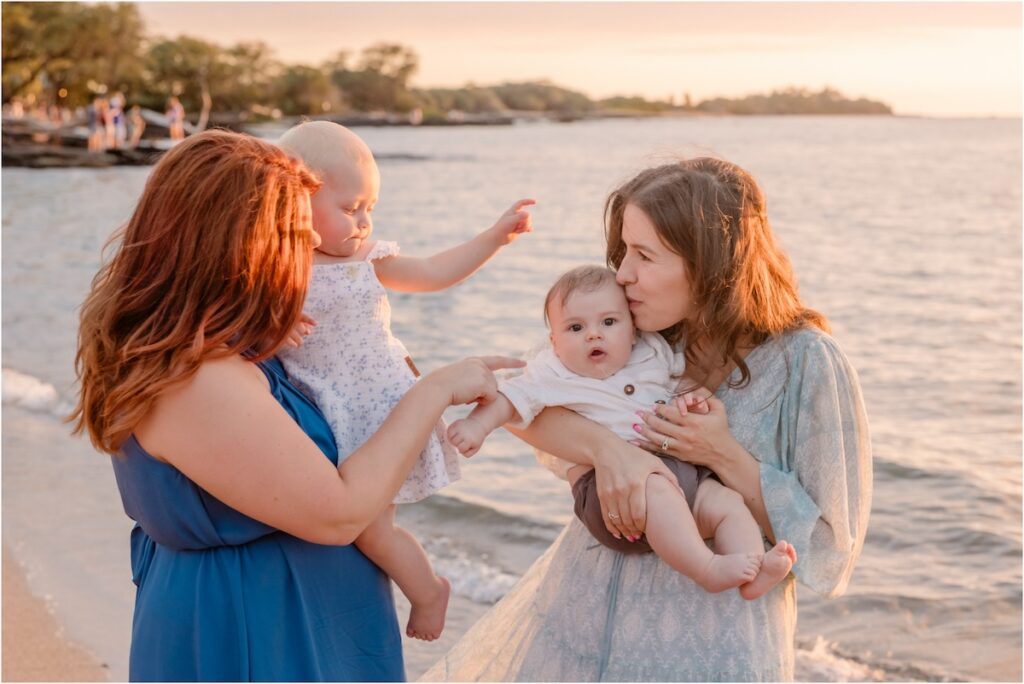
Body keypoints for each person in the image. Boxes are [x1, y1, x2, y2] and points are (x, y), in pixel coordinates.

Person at [69, 129, 522, 681]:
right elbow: (338, 513)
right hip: (258, 633)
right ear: (237, 243)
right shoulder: (197, 378)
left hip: (303, 619)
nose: (305, 247)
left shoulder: (228, 345)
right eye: (290, 232)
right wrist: (433, 391)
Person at [424, 157, 872, 681]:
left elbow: (827, 547)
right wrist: (610, 451)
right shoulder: (631, 330)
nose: (622, 274)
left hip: (710, 653)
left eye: (644, 255)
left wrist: (720, 453)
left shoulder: (807, 362)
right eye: (623, 251)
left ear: (710, 264)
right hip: (580, 626)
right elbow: (524, 405)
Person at [275, 120, 534, 642]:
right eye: (351, 209)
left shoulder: (368, 261)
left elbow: (434, 272)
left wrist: (492, 239)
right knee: (330, 520)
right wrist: (274, 327)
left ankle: (428, 591)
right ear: (296, 203)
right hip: (325, 413)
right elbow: (247, 330)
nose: (365, 222)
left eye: (371, 208)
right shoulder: (280, 265)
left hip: (381, 411)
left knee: (371, 529)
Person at [447, 264, 795, 599]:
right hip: (607, 489)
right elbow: (510, 399)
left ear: (632, 330)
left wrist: (692, 403)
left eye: (609, 322)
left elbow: (682, 385)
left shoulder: (651, 353)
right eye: (575, 328)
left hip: (679, 473)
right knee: (657, 490)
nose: (593, 334)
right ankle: (706, 569)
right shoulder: (552, 373)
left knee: (727, 503)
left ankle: (755, 568)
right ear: (553, 342)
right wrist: (477, 425)